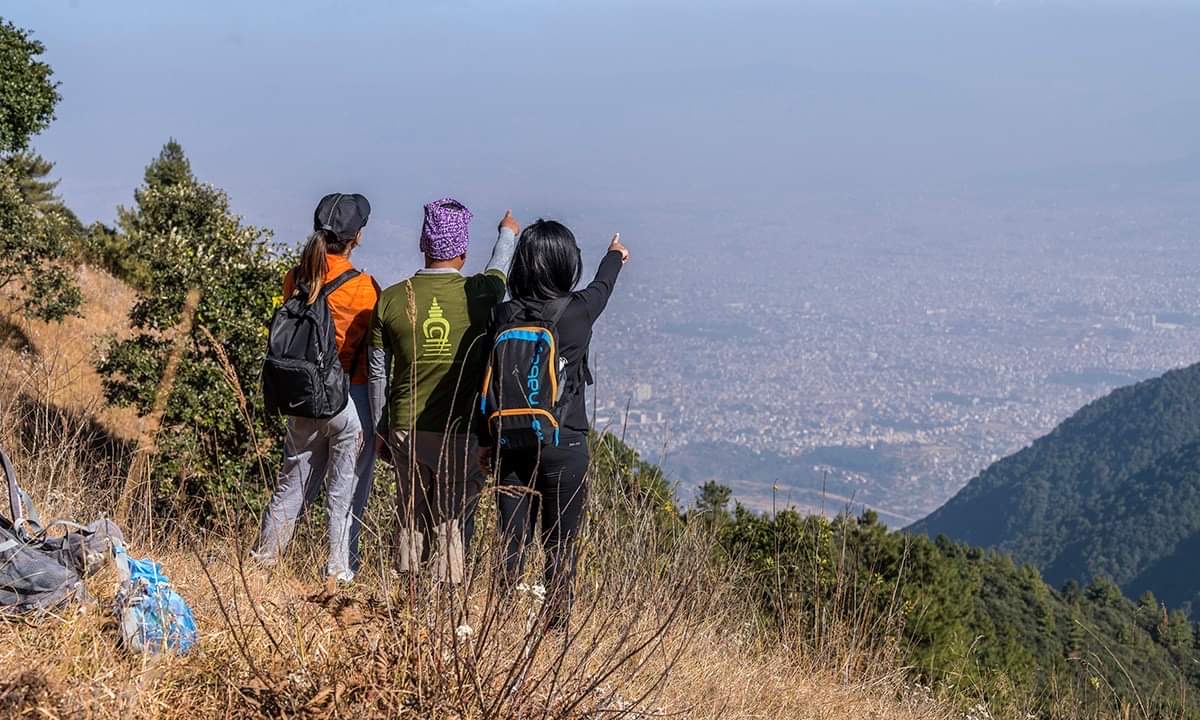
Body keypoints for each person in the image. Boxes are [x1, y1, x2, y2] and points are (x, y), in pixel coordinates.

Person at [480, 221, 629, 628]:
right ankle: (555, 628)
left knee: (511, 542)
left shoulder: (503, 314)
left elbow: (488, 376)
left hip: (510, 441)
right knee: (560, 546)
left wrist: (484, 442)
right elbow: (604, 285)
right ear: (567, 264)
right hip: (566, 442)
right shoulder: (578, 312)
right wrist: (615, 254)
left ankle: (498, 626)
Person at [369, 199, 518, 583]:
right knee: (451, 521)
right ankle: (442, 602)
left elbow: (377, 374)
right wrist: (507, 232)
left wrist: (379, 426)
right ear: (464, 253)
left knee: (410, 513)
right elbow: (500, 268)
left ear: (423, 243)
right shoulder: (481, 293)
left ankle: (406, 597)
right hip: (459, 429)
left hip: (405, 427)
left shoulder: (390, 298)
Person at [253, 193, 381, 583]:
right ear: (356, 236)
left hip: (303, 397)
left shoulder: (297, 277)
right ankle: (339, 572)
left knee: (291, 485)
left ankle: (264, 561)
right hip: (349, 399)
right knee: (345, 494)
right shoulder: (365, 289)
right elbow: (370, 352)